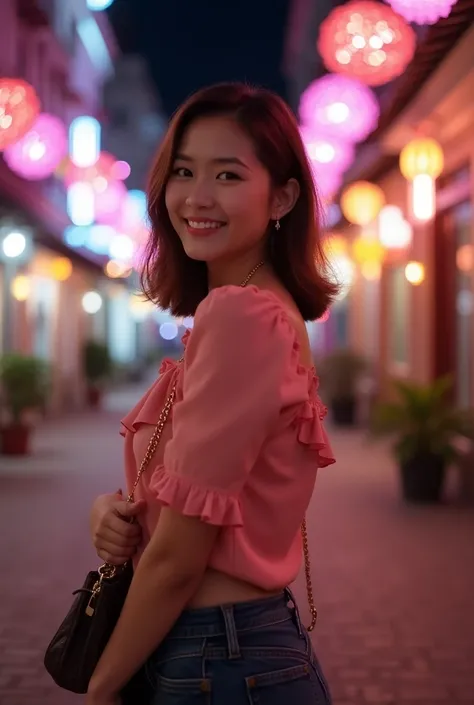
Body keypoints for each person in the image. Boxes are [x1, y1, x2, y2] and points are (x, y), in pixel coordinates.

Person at [87, 82, 337, 705]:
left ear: (281, 196)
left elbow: (178, 560)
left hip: (216, 657)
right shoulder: (266, 312)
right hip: (237, 651)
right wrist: (116, 516)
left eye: (228, 175)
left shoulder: (242, 316)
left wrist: (99, 689)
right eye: (183, 171)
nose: (196, 198)